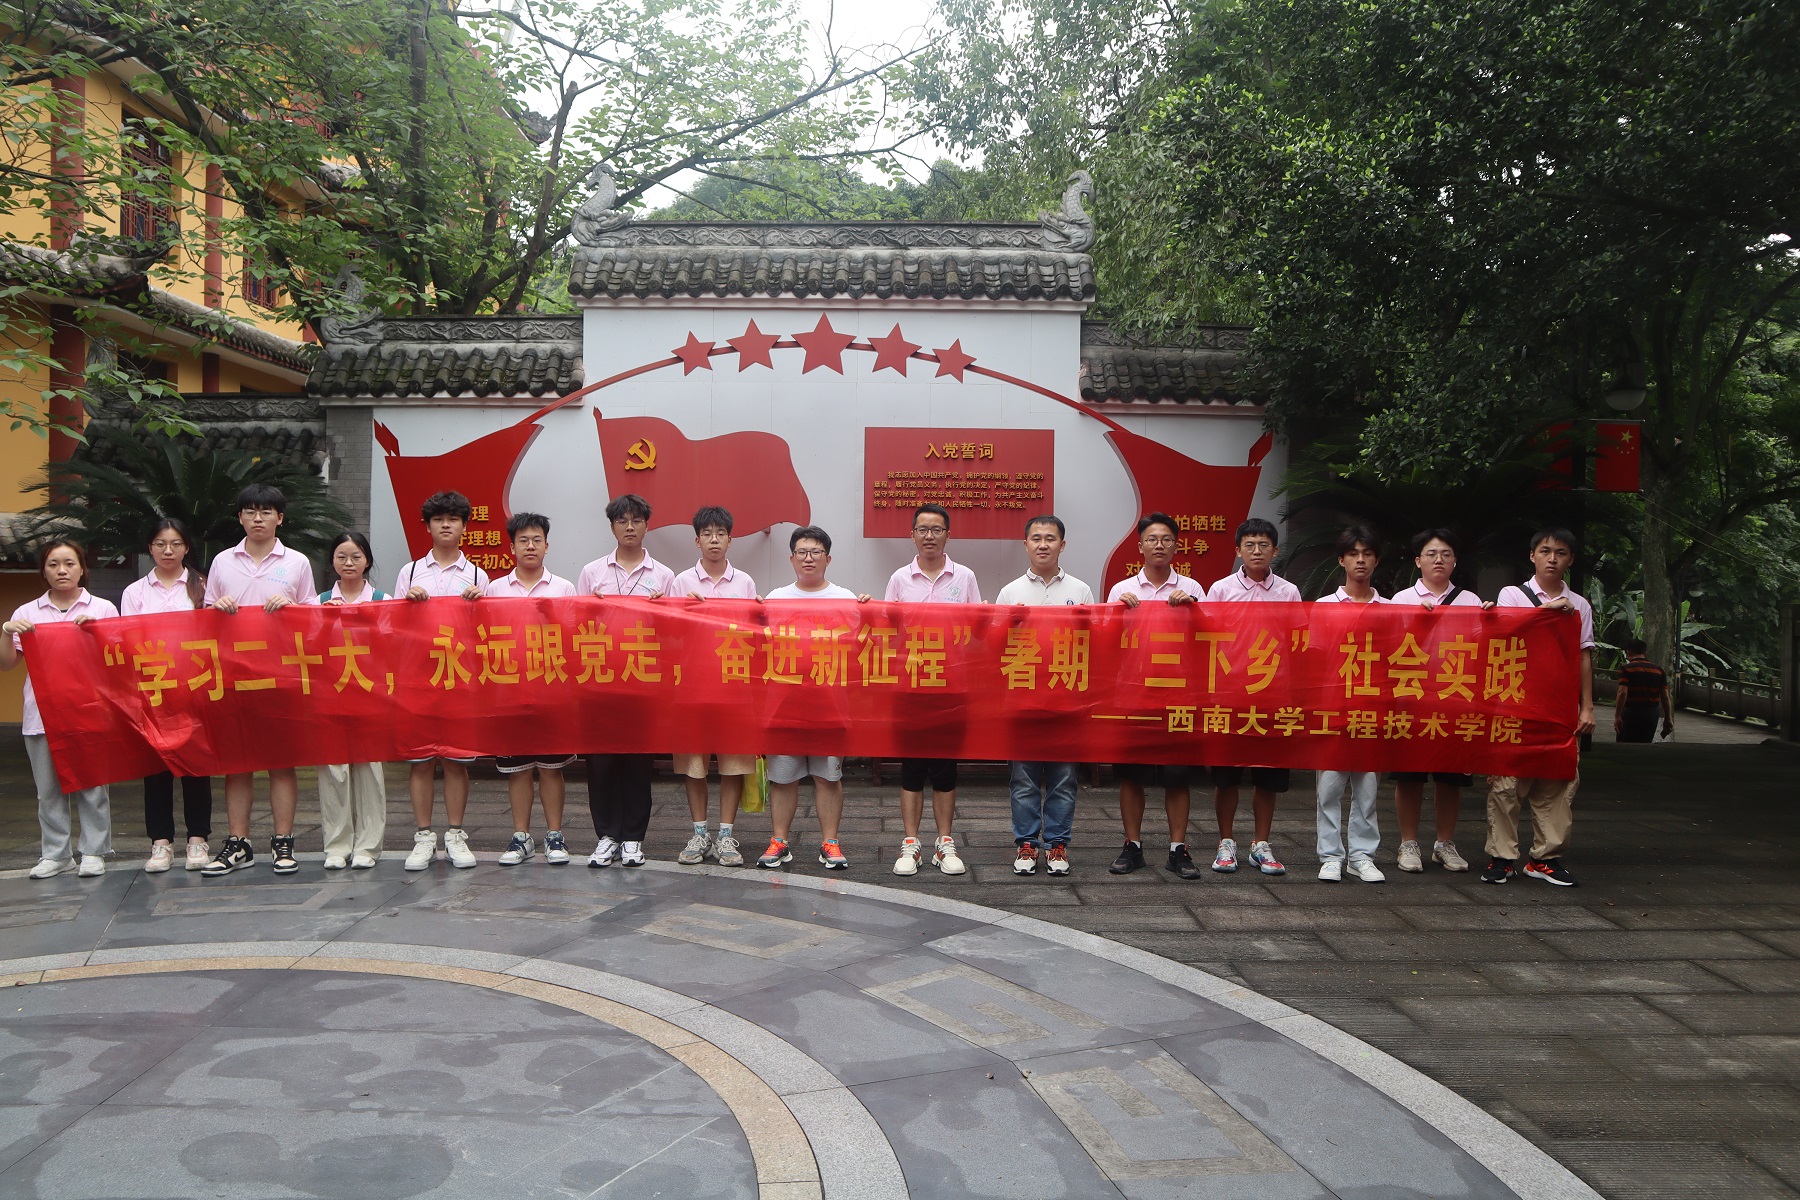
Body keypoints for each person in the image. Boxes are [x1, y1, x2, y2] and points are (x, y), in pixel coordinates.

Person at [201, 484, 316, 875]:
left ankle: (283, 842)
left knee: (281, 762)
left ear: (280, 518)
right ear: (240, 517)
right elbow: (205, 619)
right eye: (250, 511)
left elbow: (312, 618)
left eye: (266, 512)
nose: (258, 518)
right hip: (234, 675)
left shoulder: (297, 562)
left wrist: (293, 607)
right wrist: (216, 608)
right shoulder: (222, 561)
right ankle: (238, 843)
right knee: (238, 763)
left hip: (281, 675)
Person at [1484, 528, 1597, 887]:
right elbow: (1508, 632)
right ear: (1532, 556)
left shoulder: (1580, 605)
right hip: (1515, 701)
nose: (1552, 558)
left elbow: (1584, 657)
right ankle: (1501, 857)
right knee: (1506, 783)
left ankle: (1545, 858)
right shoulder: (1512, 594)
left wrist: (1587, 707)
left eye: (1560, 553)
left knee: (1558, 783)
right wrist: (1548, 611)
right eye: (1545, 551)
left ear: (1570, 560)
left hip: (1558, 708)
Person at [757, 525, 871, 871]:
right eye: (802, 552)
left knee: (828, 777)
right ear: (792, 558)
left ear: (828, 559)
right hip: (784, 704)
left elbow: (862, 646)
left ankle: (830, 843)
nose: (809, 558)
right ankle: (779, 841)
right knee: (783, 777)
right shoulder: (774, 599)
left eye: (816, 552)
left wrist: (870, 611)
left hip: (829, 704)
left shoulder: (846, 599)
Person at [2, 540, 118, 879]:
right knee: (48, 789)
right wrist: (6, 632)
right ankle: (56, 854)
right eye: (53, 564)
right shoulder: (27, 612)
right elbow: (7, 664)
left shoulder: (102, 608)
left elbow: (118, 660)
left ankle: (94, 851)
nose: (62, 570)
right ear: (44, 571)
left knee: (92, 786)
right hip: (41, 711)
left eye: (69, 563)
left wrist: (97, 634)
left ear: (82, 568)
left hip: (89, 710)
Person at [1105, 513, 1207, 879]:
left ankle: (1178, 849)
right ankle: (1132, 846)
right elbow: (1106, 640)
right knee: (1132, 775)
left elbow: (1210, 637)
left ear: (1176, 546)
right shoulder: (1122, 590)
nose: (1159, 545)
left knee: (1177, 775)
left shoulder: (1192, 588)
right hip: (1134, 693)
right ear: (1140, 546)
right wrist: (1118, 613)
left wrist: (1194, 608)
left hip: (1179, 694)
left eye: (1166, 539)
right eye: (1152, 539)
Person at [577, 493, 676, 867]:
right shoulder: (592, 572)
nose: (630, 527)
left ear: (647, 525)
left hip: (642, 681)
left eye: (636, 520)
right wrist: (592, 611)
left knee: (637, 762)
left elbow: (674, 633)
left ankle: (633, 838)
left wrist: (661, 613)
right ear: (612, 527)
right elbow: (576, 626)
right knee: (601, 763)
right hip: (600, 679)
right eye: (622, 521)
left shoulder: (663, 575)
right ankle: (607, 836)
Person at [884, 503, 982, 877]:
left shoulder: (966, 577)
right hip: (910, 687)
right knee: (911, 768)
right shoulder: (899, 579)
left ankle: (944, 843)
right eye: (922, 529)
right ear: (912, 535)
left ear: (947, 535)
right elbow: (888, 631)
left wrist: (986, 617)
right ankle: (910, 844)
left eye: (936, 529)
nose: (929, 536)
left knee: (944, 768)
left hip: (951, 687)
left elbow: (977, 632)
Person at [995, 515, 1094, 876]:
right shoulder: (1010, 592)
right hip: (1023, 700)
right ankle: (1026, 843)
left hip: (1066, 700)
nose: (1043, 544)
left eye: (1050, 538)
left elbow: (1092, 642)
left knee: (1063, 778)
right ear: (1026, 545)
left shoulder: (1081, 590)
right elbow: (995, 645)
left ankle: (1057, 845)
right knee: (1023, 778)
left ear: (1062, 545)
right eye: (1036, 538)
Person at [397, 490, 487, 870]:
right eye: (438, 519)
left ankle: (455, 834)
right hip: (419, 677)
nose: (446, 525)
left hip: (459, 678)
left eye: (453, 519)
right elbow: (394, 628)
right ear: (428, 526)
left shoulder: (478, 575)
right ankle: (423, 836)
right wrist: (408, 603)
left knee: (455, 760)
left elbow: (487, 632)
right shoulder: (410, 572)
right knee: (420, 760)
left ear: (465, 526)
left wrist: (480, 605)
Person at [1207, 517, 1302, 876]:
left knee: (1268, 774)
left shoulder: (1288, 592)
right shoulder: (1221, 589)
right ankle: (1226, 842)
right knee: (1226, 775)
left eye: (1264, 545)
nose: (1257, 551)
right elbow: (1208, 637)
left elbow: (1298, 641)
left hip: (1274, 694)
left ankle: (1261, 843)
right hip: (1231, 693)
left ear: (1275, 550)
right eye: (1249, 545)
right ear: (1238, 550)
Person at [483, 512, 578, 867]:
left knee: (552, 767)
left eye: (537, 540)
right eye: (523, 540)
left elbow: (574, 637)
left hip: (552, 690)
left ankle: (555, 836)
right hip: (510, 690)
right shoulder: (495, 589)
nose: (530, 546)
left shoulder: (563, 588)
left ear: (547, 546)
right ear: (512, 548)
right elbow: (486, 638)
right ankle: (521, 836)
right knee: (518, 768)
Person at [119, 519, 214, 872]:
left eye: (175, 544)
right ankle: (160, 842)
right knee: (156, 769)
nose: (168, 550)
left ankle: (198, 839)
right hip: (152, 692)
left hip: (194, 688)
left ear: (186, 547)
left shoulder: (203, 586)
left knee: (196, 766)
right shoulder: (135, 592)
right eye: (160, 544)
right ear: (150, 548)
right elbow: (128, 639)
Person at [1390, 528, 1486, 873]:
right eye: (1431, 554)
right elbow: (1390, 646)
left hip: (1454, 699)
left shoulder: (1471, 601)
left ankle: (1445, 844)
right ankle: (1408, 844)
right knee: (1410, 776)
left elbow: (1480, 649)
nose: (1439, 560)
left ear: (1455, 561)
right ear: (1418, 561)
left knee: (1450, 777)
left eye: (1446, 554)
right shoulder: (1400, 600)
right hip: (1412, 698)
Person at [669, 506, 759, 867]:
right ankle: (699, 833)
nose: (714, 540)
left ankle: (725, 835)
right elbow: (670, 632)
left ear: (730, 540)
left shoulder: (745, 582)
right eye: (707, 534)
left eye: (721, 533)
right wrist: (685, 611)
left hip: (734, 686)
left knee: (733, 763)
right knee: (694, 764)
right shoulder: (681, 581)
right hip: (693, 685)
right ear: (697, 540)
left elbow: (752, 632)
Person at [1313, 526, 1387, 883]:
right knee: (1329, 787)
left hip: (1373, 708)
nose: (1361, 560)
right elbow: (1315, 660)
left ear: (1376, 560)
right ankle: (1330, 856)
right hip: (1333, 707)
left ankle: (1361, 856)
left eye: (1367, 554)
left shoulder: (1390, 609)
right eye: (1354, 554)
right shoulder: (1324, 607)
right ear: (1341, 560)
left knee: (1367, 788)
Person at [316, 532, 390, 870]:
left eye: (356, 556)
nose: (349, 563)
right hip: (330, 695)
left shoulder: (382, 599)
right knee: (333, 769)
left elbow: (391, 644)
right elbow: (306, 646)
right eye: (342, 556)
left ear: (367, 561)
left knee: (369, 769)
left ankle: (368, 846)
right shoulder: (318, 602)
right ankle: (337, 845)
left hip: (369, 694)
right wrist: (324, 621)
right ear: (332, 561)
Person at [1615, 639, 1674, 743]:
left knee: (1625, 744)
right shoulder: (1659, 670)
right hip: (1651, 714)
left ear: (1628, 652)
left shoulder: (1626, 669)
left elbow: (1622, 693)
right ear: (1645, 653)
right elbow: (1665, 697)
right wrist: (1668, 718)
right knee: (1645, 744)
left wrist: (1617, 716)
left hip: (1632, 712)